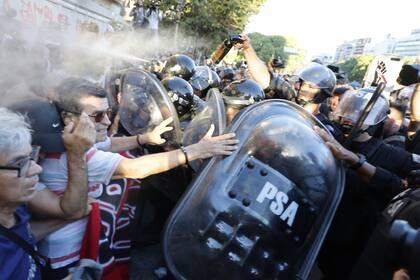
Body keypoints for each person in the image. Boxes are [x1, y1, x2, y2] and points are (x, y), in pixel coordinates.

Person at [36, 77, 238, 277]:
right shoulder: (74, 154)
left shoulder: (71, 138)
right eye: (97, 116)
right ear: (68, 117)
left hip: (74, 245)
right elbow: (134, 168)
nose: (106, 121)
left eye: (108, 112)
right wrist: (195, 151)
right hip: (65, 259)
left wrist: (145, 138)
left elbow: (108, 144)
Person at [0, 105, 95, 280]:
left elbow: (22, 235)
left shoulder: (14, 205)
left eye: (31, 156)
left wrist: (69, 217)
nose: (36, 169)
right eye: (20, 163)